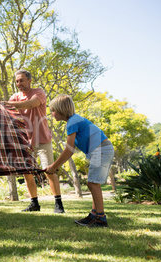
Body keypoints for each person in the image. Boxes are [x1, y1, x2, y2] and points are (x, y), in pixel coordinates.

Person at [46, 94, 114, 227]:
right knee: (93, 183)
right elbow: (70, 151)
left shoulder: (72, 122)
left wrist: (54, 166)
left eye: (53, 110)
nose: (52, 114)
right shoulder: (74, 120)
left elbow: (69, 149)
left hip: (101, 149)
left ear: (60, 109)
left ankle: (100, 218)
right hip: (102, 149)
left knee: (93, 184)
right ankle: (94, 215)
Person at [2, 69, 65, 213]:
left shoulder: (39, 93)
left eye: (21, 80)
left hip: (42, 139)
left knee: (49, 171)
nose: (19, 84)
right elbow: (6, 111)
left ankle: (58, 204)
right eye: (17, 81)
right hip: (25, 142)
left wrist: (8, 103)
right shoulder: (15, 97)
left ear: (29, 80)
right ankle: (34, 204)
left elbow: (31, 104)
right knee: (27, 172)